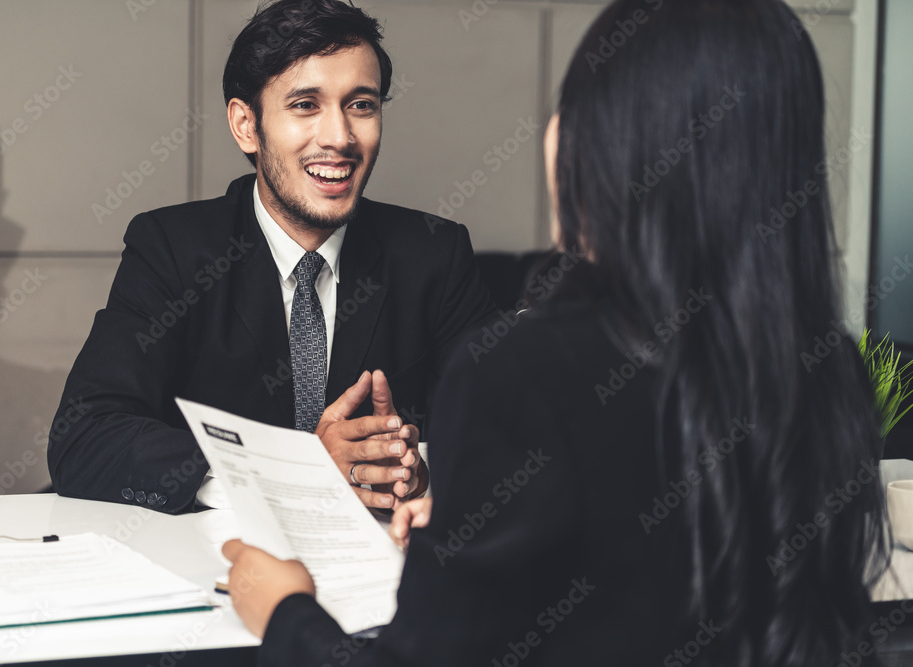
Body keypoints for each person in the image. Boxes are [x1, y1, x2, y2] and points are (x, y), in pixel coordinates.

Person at [221, 0, 892, 664]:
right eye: (306, 105)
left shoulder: (525, 372)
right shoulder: (831, 371)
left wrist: (283, 610)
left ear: (611, 141)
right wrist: (468, 543)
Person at [47, 0, 495, 515]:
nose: (340, 137)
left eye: (361, 105)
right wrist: (290, 472)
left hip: (377, 570)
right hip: (214, 562)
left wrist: (416, 469)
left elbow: (509, 437)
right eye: (306, 104)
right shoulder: (173, 248)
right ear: (246, 126)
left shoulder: (434, 252)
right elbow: (84, 436)